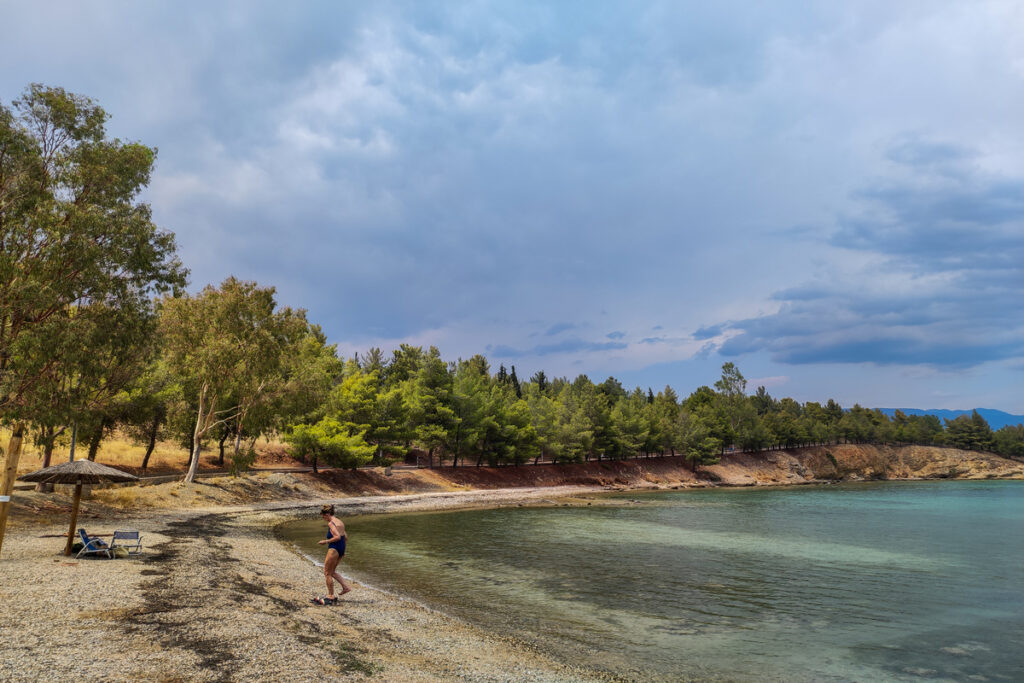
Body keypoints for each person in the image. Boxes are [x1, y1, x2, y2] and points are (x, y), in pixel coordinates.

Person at [313, 503, 353, 605]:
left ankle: (330, 596)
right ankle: (346, 587)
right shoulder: (340, 522)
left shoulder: (331, 523)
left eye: (323, 516)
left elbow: (338, 537)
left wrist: (325, 541)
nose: (323, 518)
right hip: (341, 548)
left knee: (327, 572)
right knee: (332, 571)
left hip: (334, 548)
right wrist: (342, 551)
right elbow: (345, 537)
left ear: (327, 514)